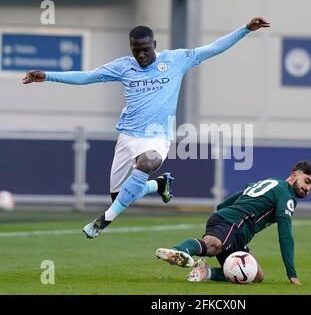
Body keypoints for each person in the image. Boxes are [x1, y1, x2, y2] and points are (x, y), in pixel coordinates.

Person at [22, 17, 271, 239]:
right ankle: (158, 186)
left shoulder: (175, 60)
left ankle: (103, 221)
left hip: (156, 136)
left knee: (148, 162)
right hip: (128, 135)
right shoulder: (123, 66)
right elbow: (87, 77)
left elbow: (214, 48)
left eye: (145, 50)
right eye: (136, 50)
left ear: (154, 44)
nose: (141, 55)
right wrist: (48, 75)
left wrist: (245, 29)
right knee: (119, 196)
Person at [156, 160, 311, 285]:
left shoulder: (270, 182)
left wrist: (223, 218)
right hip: (233, 224)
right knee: (214, 245)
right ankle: (176, 251)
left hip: (233, 228)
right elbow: (285, 235)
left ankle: (205, 272)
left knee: (255, 275)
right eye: (307, 181)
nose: (308, 189)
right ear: (294, 176)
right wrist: (292, 274)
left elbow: (227, 202)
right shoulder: (287, 195)